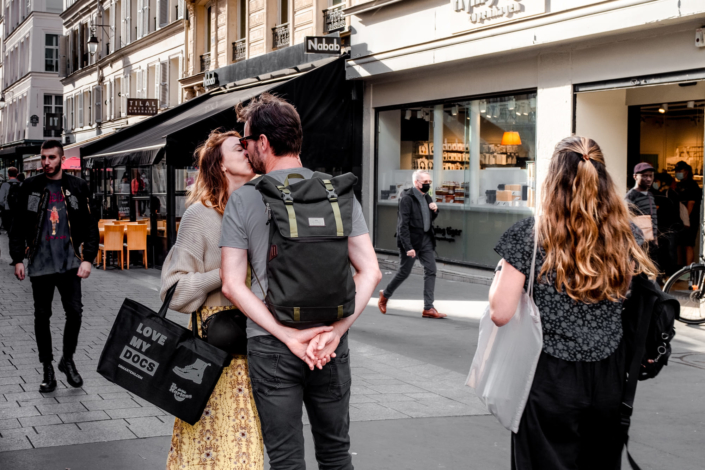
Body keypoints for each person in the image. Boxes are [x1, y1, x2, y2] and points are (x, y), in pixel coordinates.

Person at [220, 93, 381, 470]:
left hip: (273, 346)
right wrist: (336, 332)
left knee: (286, 461)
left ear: (263, 142)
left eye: (246, 142)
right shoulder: (336, 192)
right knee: (336, 454)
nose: (245, 150)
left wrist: (289, 337)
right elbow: (370, 271)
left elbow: (232, 284)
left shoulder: (244, 199)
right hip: (329, 344)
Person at [489, 136, 657, 469]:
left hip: (547, 374)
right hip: (609, 374)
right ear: (604, 178)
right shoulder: (627, 234)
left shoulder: (530, 235)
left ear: (552, 179)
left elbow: (500, 313)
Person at [161, 129, 264, 470]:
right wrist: (225, 273)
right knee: (213, 455)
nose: (248, 150)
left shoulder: (261, 210)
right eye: (239, 147)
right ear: (219, 164)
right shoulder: (200, 216)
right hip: (213, 358)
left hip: (256, 353)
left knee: (247, 452)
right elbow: (173, 293)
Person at [9, 140, 99, 393]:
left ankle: (67, 359)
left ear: (61, 159)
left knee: (75, 312)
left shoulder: (77, 187)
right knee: (42, 316)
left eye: (51, 157)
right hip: (40, 264)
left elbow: (91, 225)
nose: (46, 162)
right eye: (43, 158)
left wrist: (88, 259)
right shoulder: (30, 186)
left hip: (70, 263)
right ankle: (47, 368)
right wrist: (17, 259)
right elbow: (17, 225)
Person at [377, 170, 446, 319]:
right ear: (416, 183)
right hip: (411, 241)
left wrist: (435, 210)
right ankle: (385, 295)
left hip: (426, 239)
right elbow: (403, 225)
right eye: (425, 182)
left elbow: (428, 219)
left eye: (429, 182)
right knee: (404, 272)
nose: (428, 185)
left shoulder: (427, 197)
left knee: (431, 269)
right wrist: (408, 247)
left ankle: (429, 308)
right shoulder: (407, 199)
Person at [625, 162, 658, 266]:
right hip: (639, 244)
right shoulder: (631, 196)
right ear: (635, 176)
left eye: (650, 176)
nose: (648, 179)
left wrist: (655, 238)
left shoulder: (650, 194)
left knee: (653, 273)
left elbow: (653, 219)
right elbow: (628, 220)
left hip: (651, 242)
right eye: (644, 176)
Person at [652, 172, 682, 276]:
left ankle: (671, 275)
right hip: (662, 227)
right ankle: (664, 274)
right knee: (663, 251)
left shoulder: (670, 195)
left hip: (670, 227)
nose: (655, 183)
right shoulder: (657, 193)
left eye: (657, 181)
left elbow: (671, 213)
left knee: (670, 251)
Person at [674, 161, 701, 265]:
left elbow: (691, 203)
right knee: (681, 245)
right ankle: (682, 269)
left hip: (690, 220)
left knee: (688, 245)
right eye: (676, 171)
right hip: (680, 220)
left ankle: (689, 269)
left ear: (687, 171)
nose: (677, 173)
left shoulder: (692, 186)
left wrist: (685, 219)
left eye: (679, 171)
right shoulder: (679, 185)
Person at [0, 166, 21, 233]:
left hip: (7, 210)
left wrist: (5, 205)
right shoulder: (21, 184)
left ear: (8, 174)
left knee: (9, 229)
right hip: (18, 210)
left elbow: (0, 199)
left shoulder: (5, 185)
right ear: (17, 175)